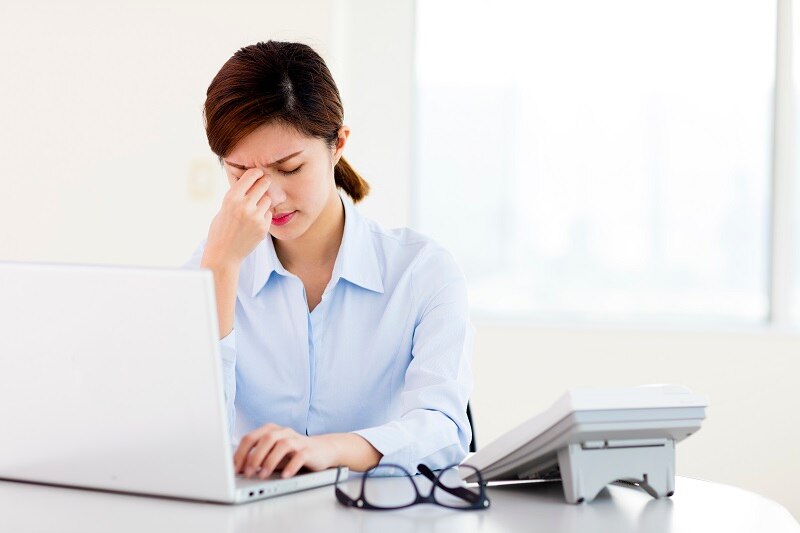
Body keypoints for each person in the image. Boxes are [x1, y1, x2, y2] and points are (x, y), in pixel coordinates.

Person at [185, 40, 474, 480]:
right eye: (241, 174)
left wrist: (331, 450)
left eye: (291, 168)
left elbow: (445, 431)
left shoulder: (422, 272)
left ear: (338, 144)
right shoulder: (209, 268)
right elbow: (184, 438)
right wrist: (221, 271)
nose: (271, 197)